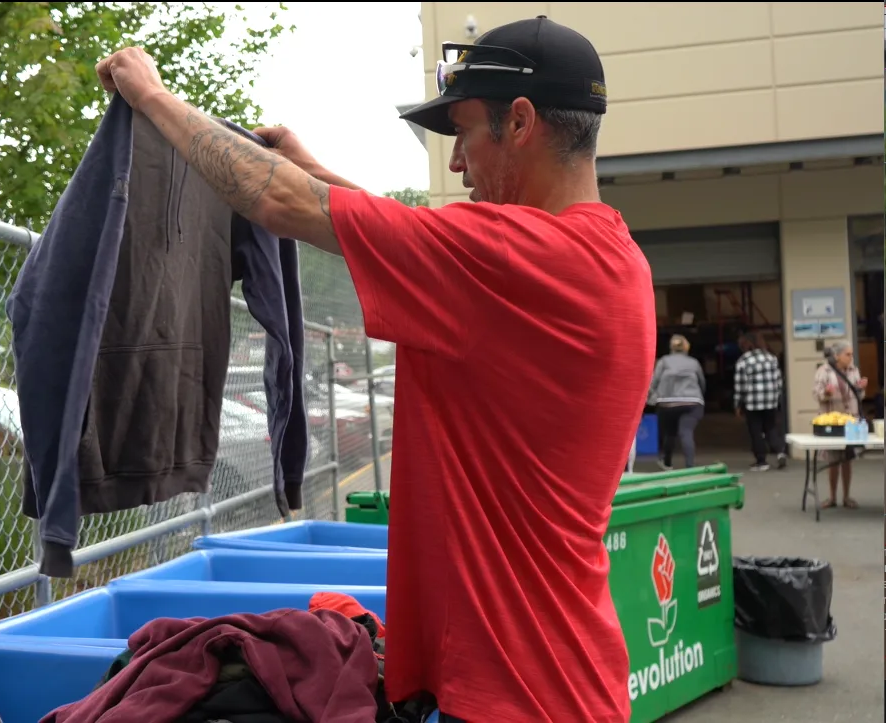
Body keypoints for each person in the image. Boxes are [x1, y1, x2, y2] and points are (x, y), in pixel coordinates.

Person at [95, 14, 653, 722]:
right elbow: (412, 240)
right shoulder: (600, 258)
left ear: (519, 122)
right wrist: (313, 169)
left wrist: (150, 96)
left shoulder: (527, 258)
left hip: (515, 695)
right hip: (552, 678)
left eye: (462, 133)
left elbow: (278, 202)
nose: (455, 164)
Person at [812, 340, 868, 510]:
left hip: (851, 420)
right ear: (837, 356)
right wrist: (826, 393)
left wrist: (861, 388)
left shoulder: (854, 370)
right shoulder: (824, 371)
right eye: (847, 354)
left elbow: (860, 396)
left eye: (851, 354)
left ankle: (846, 496)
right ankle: (832, 497)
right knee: (833, 460)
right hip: (832, 421)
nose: (851, 357)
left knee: (847, 460)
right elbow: (816, 394)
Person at [647, 334, 706, 470]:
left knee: (670, 433)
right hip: (692, 402)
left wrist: (649, 397)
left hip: (667, 403)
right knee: (686, 431)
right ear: (686, 347)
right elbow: (701, 382)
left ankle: (667, 462)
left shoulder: (664, 361)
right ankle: (690, 466)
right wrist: (699, 396)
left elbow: (654, 381)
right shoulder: (693, 362)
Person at [733, 332, 786, 472]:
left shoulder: (743, 361)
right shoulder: (771, 358)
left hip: (752, 402)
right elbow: (779, 381)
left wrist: (737, 404)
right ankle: (780, 452)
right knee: (771, 428)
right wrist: (777, 397)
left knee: (756, 431)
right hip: (770, 400)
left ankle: (762, 462)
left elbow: (740, 385)